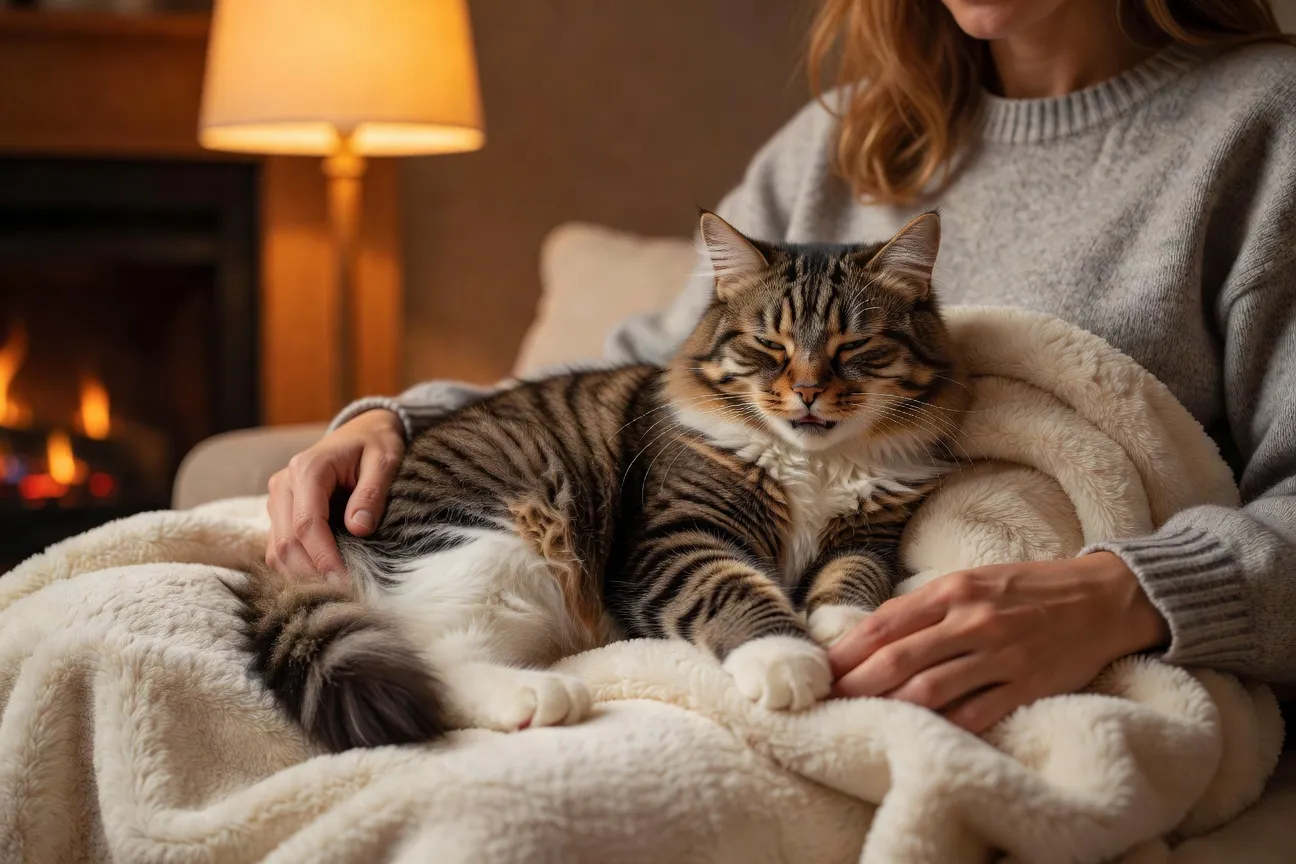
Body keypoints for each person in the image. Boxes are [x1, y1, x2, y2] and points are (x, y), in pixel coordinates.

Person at [264, 0, 1296, 734]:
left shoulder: (1265, 125)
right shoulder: (845, 132)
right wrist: (397, 422)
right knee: (118, 637)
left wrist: (1129, 595)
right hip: (744, 619)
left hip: (1035, 687)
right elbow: (636, 382)